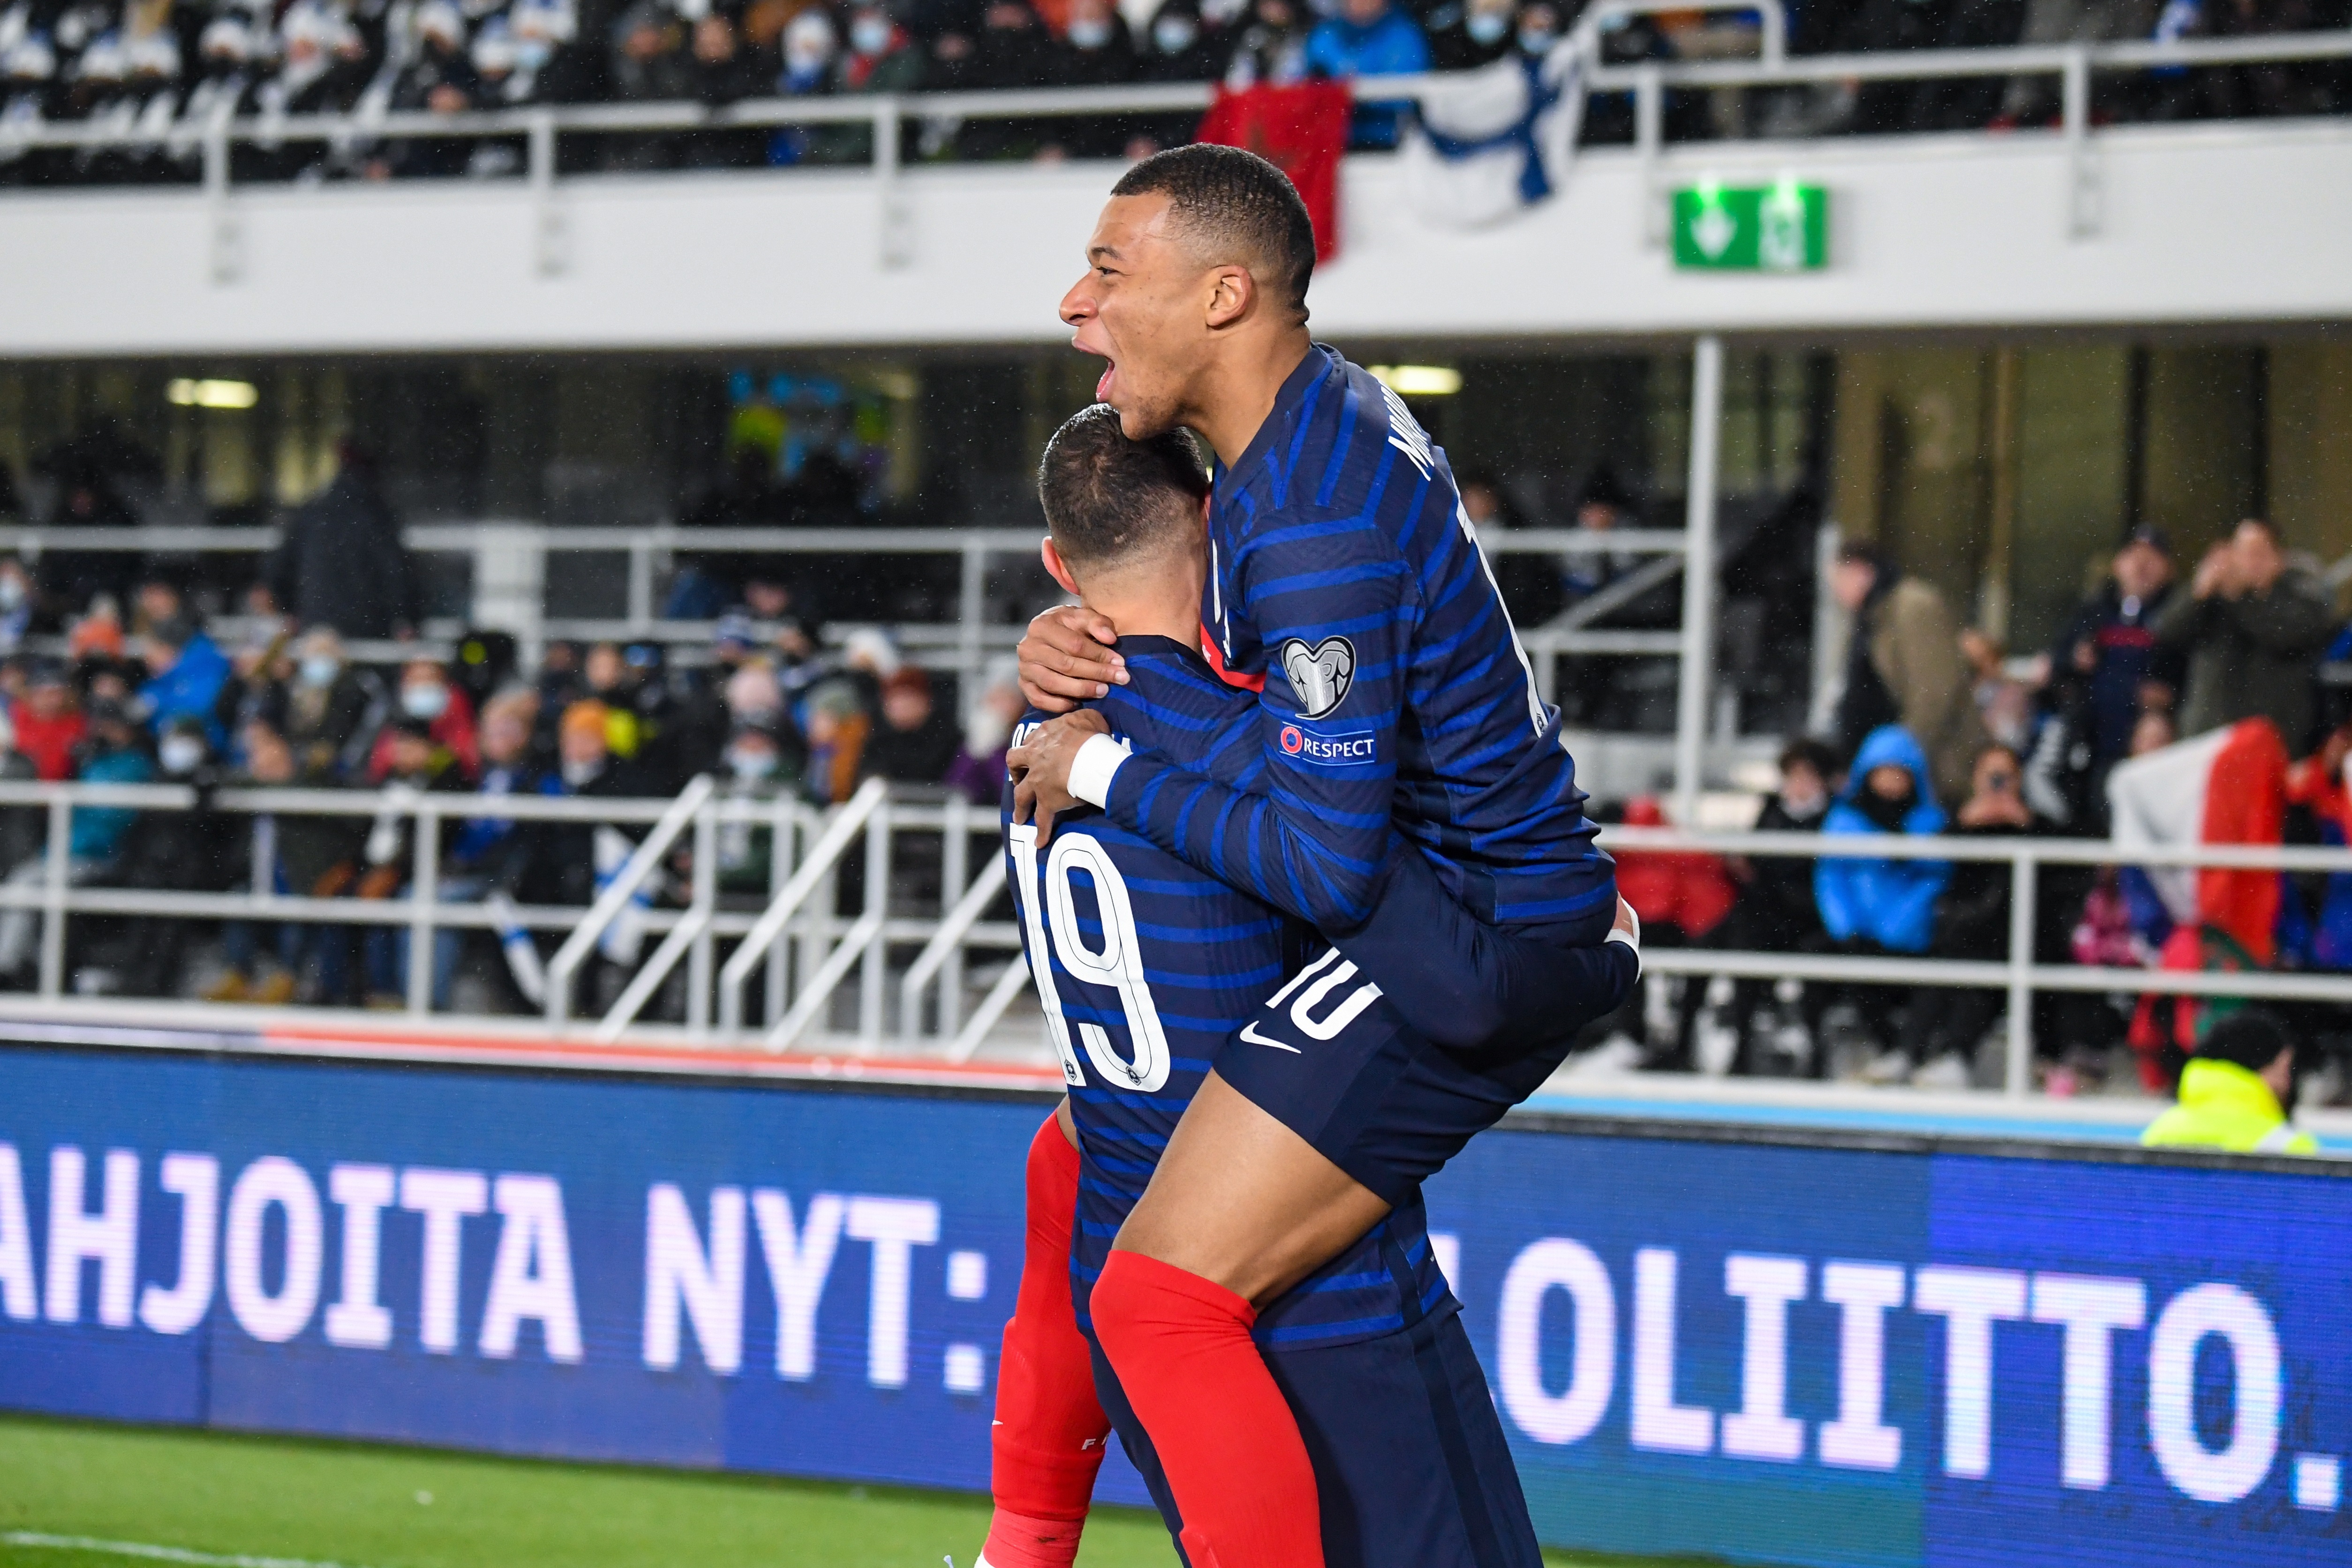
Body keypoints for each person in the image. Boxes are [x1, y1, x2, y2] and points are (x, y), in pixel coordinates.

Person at [1009, 147, 1633, 1568]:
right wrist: (1108, 661)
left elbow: (1325, 864)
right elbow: (1280, 728)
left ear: (1223, 294)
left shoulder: (1308, 516)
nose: (1074, 304)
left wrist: (1105, 762)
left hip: (1473, 936)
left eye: (1107, 271)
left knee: (1154, 1294)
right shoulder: (1310, 429)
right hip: (1459, 908)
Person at [980, 405, 1560, 1568]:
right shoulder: (1247, 750)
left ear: (1059, 564)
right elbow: (1409, 904)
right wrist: (1588, 937)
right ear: (1214, 516)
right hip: (1310, 1299)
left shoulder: (1041, 744)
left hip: (1139, 1293)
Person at [1813, 723, 1951, 1082]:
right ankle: (1890, 1051)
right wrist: (1847, 926)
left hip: (1914, 935)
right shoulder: (1845, 822)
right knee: (1854, 971)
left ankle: (1908, 1053)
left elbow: (1936, 879)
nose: (1891, 782)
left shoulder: (1930, 824)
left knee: (1940, 973)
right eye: (1883, 772)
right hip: (1861, 934)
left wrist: (1904, 923)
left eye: (1899, 773)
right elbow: (1832, 879)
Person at [2153, 516, 2333, 752]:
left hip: (2273, 739)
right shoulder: (2213, 598)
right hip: (2209, 734)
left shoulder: (2297, 597)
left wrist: (2240, 598)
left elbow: (2288, 635)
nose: (2249, 562)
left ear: (2279, 559)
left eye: (2258, 552)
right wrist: (2197, 593)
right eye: (2241, 552)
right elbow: (2165, 631)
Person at [1829, 539, 1986, 806]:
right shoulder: (1870, 618)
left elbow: (1935, 693)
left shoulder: (1912, 607)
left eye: (1839, 580)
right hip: (1884, 773)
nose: (1836, 592)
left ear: (1862, 572)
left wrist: (1900, 759)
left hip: (1930, 772)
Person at [2049, 525, 2185, 770]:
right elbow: (2057, 659)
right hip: (2095, 738)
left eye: (2152, 558)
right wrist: (2074, 658)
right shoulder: (2095, 610)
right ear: (2118, 564)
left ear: (2169, 569)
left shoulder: (2177, 615)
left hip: (2148, 742)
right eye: (2134, 556)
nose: (2141, 566)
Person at [265, 444, 420, 641]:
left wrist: (291, 609)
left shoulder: (313, 512)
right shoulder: (376, 515)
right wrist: (406, 617)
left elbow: (278, 570)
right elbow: (396, 573)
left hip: (316, 625)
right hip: (367, 627)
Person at [2141, 1007, 2316, 1154]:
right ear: (2263, 1069)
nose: (2288, 1083)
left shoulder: (2159, 1134)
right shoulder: (2288, 1146)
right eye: (2285, 1070)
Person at [1302, 0, 1429, 148]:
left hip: (1387, 144)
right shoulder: (1324, 34)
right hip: (1329, 143)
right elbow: (1302, 84)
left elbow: (1403, 97)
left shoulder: (1404, 36)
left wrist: (1351, 91)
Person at [865, 665, 961, 784]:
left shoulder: (948, 740)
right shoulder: (877, 740)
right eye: (894, 700)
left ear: (926, 701)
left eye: (908, 698)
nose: (901, 706)